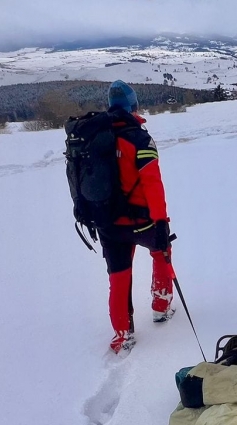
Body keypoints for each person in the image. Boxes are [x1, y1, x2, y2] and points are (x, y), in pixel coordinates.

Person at [99, 80, 174, 354]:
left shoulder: (97, 138)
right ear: (133, 106)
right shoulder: (139, 139)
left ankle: (122, 334)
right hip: (143, 220)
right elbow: (152, 183)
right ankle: (161, 305)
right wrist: (162, 221)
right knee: (161, 252)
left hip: (108, 223)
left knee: (118, 277)